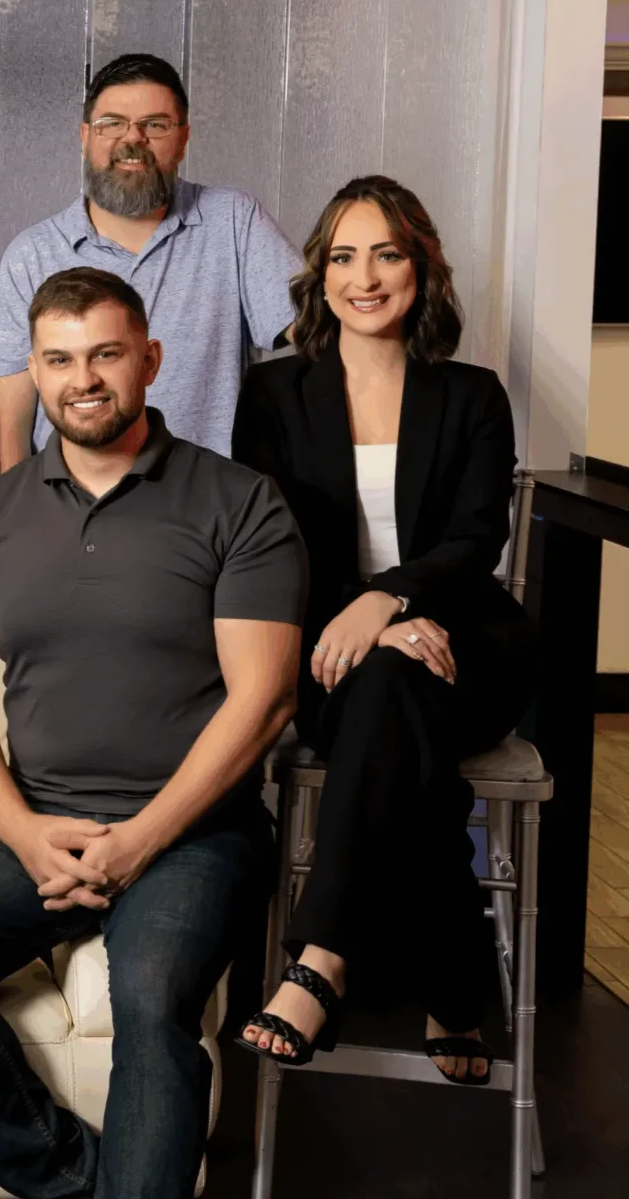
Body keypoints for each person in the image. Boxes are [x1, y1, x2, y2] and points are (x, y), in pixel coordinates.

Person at [0, 267, 307, 1198]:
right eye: (57, 360)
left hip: (193, 831)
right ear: (35, 369)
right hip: (39, 818)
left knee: (151, 1002)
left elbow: (263, 701)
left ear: (150, 359)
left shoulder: (240, 503)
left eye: (105, 354)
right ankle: (77, 1178)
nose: (82, 378)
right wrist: (24, 833)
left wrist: (143, 840)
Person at [232, 177, 531, 1085]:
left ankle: (319, 959)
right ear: (320, 274)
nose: (365, 277)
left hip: (465, 642)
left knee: (401, 689)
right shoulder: (275, 395)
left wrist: (390, 601)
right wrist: (361, 621)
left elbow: (478, 537)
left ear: (421, 269)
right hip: (332, 649)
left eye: (387, 254)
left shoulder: (473, 395)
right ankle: (455, 979)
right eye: (344, 256)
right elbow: (268, 541)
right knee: (398, 713)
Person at [0, 53, 299, 470]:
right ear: (84, 136)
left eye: (155, 125)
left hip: (209, 509)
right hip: (72, 513)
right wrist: (16, 523)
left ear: (184, 138)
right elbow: (10, 430)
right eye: (111, 123)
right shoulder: (31, 255)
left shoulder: (233, 222)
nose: (132, 139)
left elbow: (324, 333)